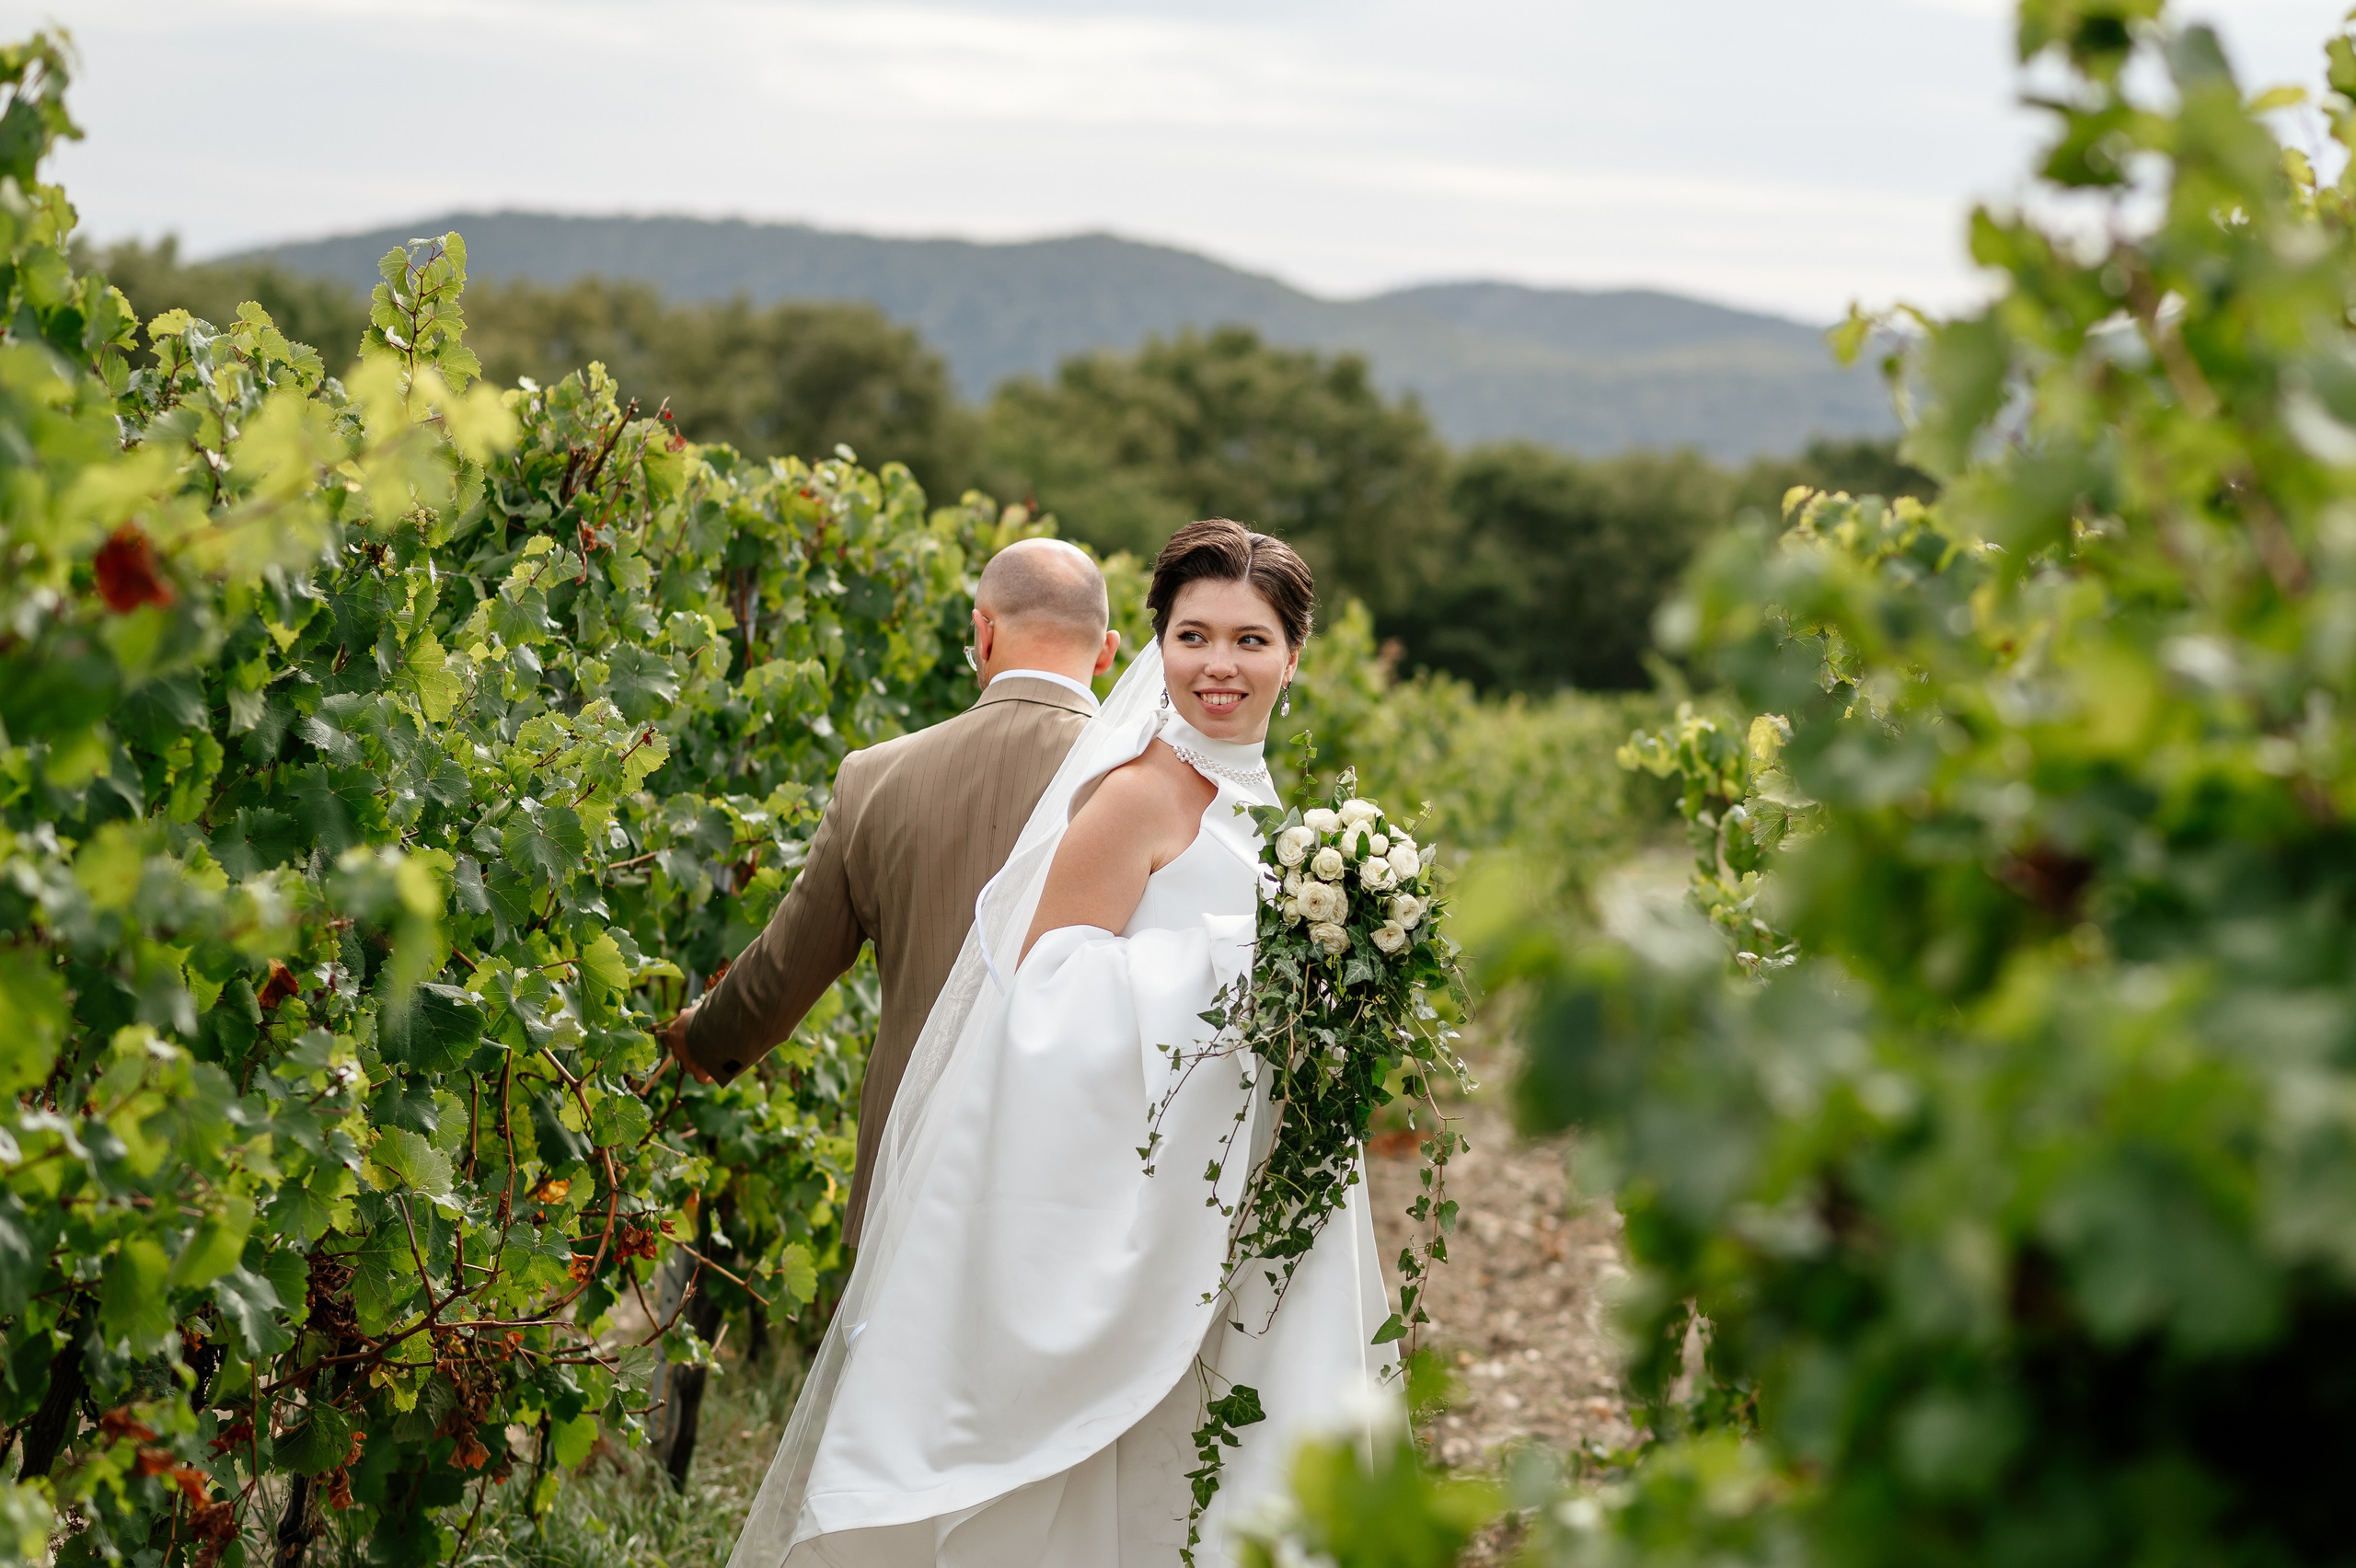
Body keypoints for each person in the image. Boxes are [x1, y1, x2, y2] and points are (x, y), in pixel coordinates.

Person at [727, 520, 1391, 1568]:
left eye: (1250, 641)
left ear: (1293, 655)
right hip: (1147, 1214)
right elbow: (1047, 990)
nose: (1220, 665)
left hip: (1245, 1198)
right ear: (1153, 646)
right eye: (1194, 635)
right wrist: (1243, 965)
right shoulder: (1137, 794)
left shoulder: (1279, 817)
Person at [666, 536, 1119, 1246]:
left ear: (983, 631)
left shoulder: (874, 778)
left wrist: (702, 1038)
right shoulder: (1146, 786)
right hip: (1084, 1176)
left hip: (912, 1166)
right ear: (1106, 652)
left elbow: (786, 969)